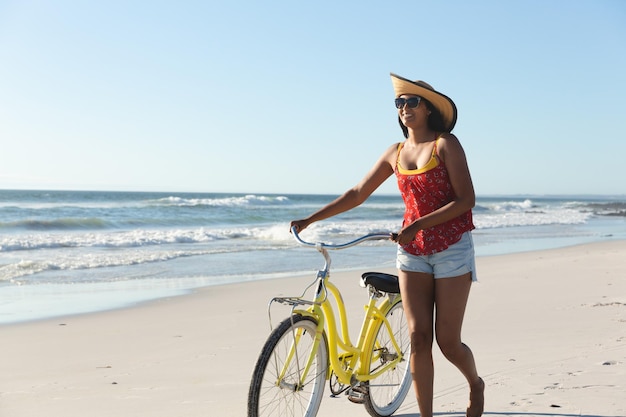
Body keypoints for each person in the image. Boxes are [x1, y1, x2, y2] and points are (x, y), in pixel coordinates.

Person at [290, 73, 484, 417]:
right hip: (412, 254)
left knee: (448, 343)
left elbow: (466, 200)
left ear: (427, 109)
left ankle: (474, 383)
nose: (404, 108)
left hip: (452, 248)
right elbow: (357, 193)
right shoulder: (395, 152)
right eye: (399, 103)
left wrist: (420, 224)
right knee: (418, 338)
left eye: (412, 102)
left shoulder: (446, 144)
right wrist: (311, 218)